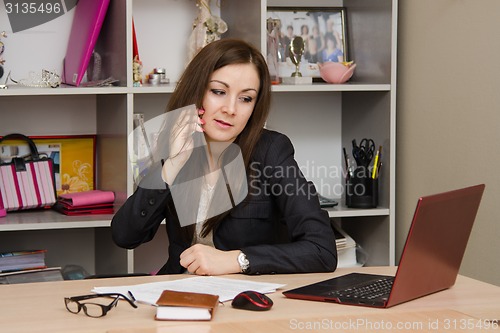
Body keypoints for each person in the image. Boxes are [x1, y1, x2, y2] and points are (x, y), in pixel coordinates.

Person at [111, 38, 337, 276]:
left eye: (246, 98)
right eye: (219, 92)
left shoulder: (271, 150)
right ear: (196, 91)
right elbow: (125, 236)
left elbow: (322, 250)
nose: (231, 108)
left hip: (244, 301)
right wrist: (173, 163)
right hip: (181, 295)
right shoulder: (176, 143)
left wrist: (237, 260)